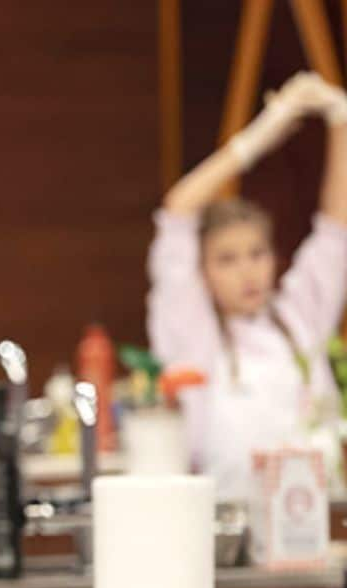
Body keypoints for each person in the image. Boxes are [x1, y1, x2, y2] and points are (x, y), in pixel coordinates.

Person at [147, 70, 347, 501]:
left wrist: (340, 115)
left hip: (316, 523)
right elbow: (179, 208)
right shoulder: (192, 330)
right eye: (227, 260)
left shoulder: (301, 316)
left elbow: (336, 227)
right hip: (227, 533)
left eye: (257, 254)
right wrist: (265, 130)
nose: (248, 272)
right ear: (202, 272)